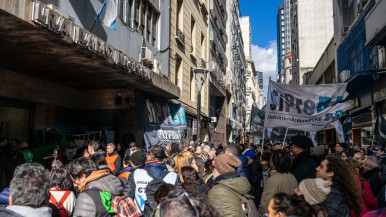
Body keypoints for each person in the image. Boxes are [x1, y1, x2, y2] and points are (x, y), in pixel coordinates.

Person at [127, 145, 178, 215]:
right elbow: (179, 202)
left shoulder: (136, 173)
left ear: (149, 156)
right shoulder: (173, 176)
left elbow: (127, 198)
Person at [258, 150, 298, 216]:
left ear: (274, 162)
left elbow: (266, 204)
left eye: (271, 158)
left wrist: (261, 214)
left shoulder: (274, 179)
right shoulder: (292, 177)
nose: (270, 160)